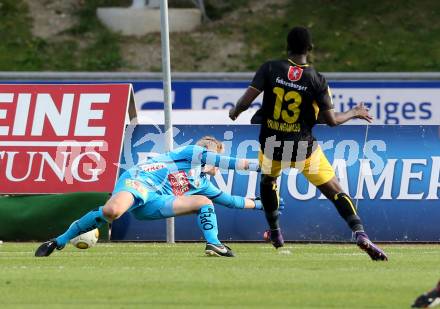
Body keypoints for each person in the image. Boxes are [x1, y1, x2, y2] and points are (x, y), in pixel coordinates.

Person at [229, 26, 388, 261]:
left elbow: (246, 101)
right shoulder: (316, 79)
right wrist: (354, 112)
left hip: (272, 143)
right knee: (335, 189)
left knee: (268, 180)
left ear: (287, 47)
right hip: (303, 147)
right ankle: (360, 233)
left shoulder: (270, 68)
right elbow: (331, 120)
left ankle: (274, 231)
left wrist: (235, 110)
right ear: (310, 49)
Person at [35, 136, 267, 258]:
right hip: (139, 181)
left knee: (205, 203)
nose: (213, 159)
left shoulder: (202, 183)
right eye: (211, 154)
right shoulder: (192, 152)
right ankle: (59, 241)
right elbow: (229, 163)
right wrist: (262, 166)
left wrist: (260, 204)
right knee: (111, 212)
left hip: (157, 202)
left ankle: (214, 244)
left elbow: (230, 201)